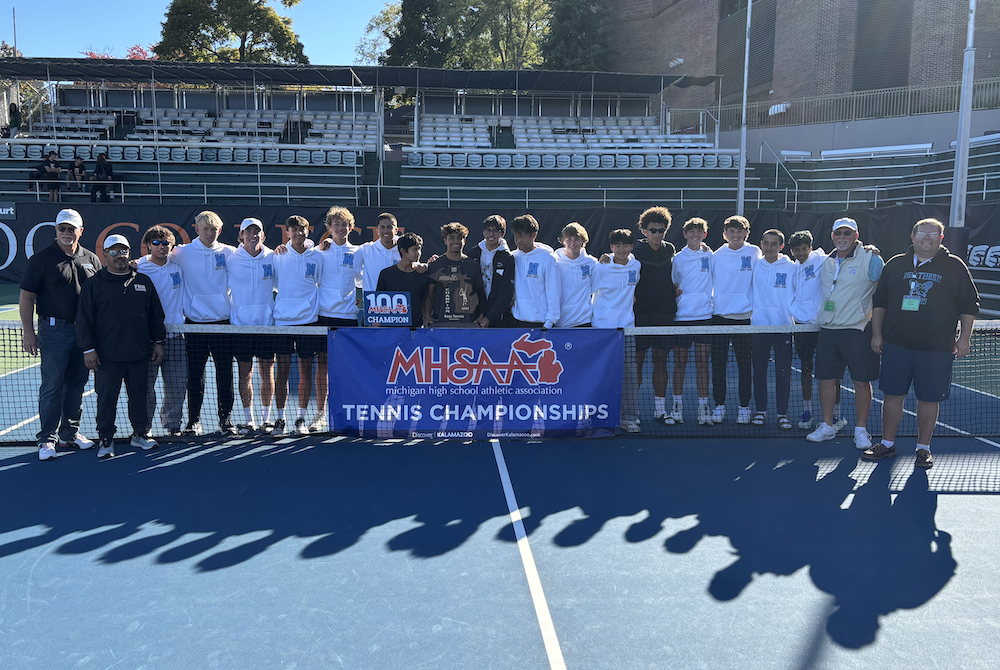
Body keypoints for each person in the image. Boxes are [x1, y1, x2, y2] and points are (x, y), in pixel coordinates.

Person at [863, 218, 980, 469]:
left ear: (941, 238)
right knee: (893, 395)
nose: (927, 239)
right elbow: (880, 300)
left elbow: (969, 304)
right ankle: (887, 443)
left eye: (932, 235)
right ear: (912, 237)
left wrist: (965, 337)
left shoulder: (954, 266)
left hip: (936, 348)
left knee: (929, 399)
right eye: (922, 234)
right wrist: (877, 334)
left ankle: (923, 449)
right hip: (896, 345)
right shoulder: (895, 265)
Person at [19, 209, 100, 461]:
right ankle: (46, 439)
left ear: (80, 231)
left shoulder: (91, 259)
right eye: (62, 229)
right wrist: (28, 332)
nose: (66, 233)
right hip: (54, 331)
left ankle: (70, 433)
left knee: (77, 384)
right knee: (53, 385)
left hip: (85, 333)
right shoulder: (41, 260)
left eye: (71, 229)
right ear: (56, 231)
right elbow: (26, 298)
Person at [76, 235, 166, 459]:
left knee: (139, 397)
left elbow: (156, 316)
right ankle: (106, 438)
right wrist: (88, 349)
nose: (120, 256)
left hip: (138, 354)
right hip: (106, 357)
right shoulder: (94, 284)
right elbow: (84, 319)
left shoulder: (143, 281)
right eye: (114, 252)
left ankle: (140, 434)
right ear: (104, 255)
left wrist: (158, 343)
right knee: (106, 400)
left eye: (124, 251)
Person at [806, 217, 884, 449]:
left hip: (858, 331)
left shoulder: (872, 258)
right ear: (832, 236)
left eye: (847, 233)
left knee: (861, 382)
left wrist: (880, 331)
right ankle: (828, 426)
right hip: (829, 330)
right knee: (826, 381)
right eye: (838, 233)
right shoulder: (825, 261)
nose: (842, 237)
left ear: (856, 236)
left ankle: (861, 430)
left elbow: (885, 291)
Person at [171, 210, 237, 436]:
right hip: (195, 325)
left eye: (214, 229)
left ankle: (225, 420)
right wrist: (135, 262)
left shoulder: (230, 252)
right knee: (195, 375)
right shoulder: (181, 252)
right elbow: (155, 259)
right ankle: (193, 421)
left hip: (223, 323)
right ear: (196, 229)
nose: (210, 233)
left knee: (225, 374)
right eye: (205, 229)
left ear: (220, 230)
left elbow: (257, 256)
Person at [273, 215, 324, 436]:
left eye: (302, 229)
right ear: (287, 232)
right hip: (283, 322)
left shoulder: (317, 256)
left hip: (308, 323)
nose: (298, 233)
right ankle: (279, 419)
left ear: (308, 231)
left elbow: (322, 283)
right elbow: (273, 284)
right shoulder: (277, 256)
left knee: (305, 372)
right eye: (293, 229)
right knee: (282, 373)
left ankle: (301, 418)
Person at [315, 206, 364, 431]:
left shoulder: (359, 252)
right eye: (336, 224)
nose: (341, 227)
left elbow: (365, 280)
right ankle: (320, 414)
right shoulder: (318, 252)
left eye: (345, 224)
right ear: (328, 227)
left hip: (348, 318)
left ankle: (346, 413)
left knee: (346, 368)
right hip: (324, 317)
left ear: (351, 227)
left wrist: (362, 299)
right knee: (322, 367)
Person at [227, 218, 277, 436]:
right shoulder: (230, 259)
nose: (253, 235)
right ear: (241, 235)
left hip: (267, 327)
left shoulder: (275, 256)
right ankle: (249, 421)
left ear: (263, 236)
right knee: (244, 375)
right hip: (241, 327)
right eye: (248, 231)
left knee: (267, 374)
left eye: (257, 231)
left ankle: (266, 420)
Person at [710, 215, 761, 425]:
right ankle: (719, 406)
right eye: (731, 231)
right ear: (725, 234)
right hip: (720, 318)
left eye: (740, 231)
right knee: (718, 365)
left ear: (747, 233)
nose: (736, 234)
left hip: (745, 319)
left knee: (744, 366)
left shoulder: (755, 252)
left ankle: (744, 407)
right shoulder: (715, 255)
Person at [137, 226, 187, 436]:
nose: (161, 247)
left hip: (175, 336)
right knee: (146, 387)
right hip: (147, 339)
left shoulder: (178, 267)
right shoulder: (138, 268)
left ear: (171, 245)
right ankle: (144, 427)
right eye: (156, 243)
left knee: (177, 386)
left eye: (165, 243)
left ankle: (172, 425)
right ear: (148, 246)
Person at [591, 228, 642, 432]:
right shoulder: (600, 267)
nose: (621, 249)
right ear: (611, 247)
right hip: (602, 330)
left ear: (631, 247)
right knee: (601, 374)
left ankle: (629, 417)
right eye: (617, 245)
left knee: (629, 375)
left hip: (627, 330)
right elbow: (587, 291)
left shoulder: (635, 265)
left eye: (625, 245)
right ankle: (598, 415)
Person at [749, 229, 796, 430]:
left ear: (781, 246)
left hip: (783, 327)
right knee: (759, 372)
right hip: (758, 327)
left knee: (783, 373)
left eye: (774, 244)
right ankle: (760, 411)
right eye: (766, 243)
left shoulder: (792, 267)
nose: (769, 247)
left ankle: (782, 414)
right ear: (761, 244)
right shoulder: (754, 265)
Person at [787, 230, 834, 430]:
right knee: (806, 369)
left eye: (804, 249)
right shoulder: (793, 267)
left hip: (823, 326)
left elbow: (846, 255)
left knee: (831, 373)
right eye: (796, 250)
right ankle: (807, 410)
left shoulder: (823, 260)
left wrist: (869, 250)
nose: (800, 253)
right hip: (801, 326)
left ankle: (836, 414)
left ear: (810, 248)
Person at [671, 217, 715, 425]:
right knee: (680, 363)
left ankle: (703, 408)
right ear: (685, 234)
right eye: (691, 231)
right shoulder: (677, 259)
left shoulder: (710, 255)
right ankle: (677, 407)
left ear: (704, 235)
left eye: (699, 232)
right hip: (682, 318)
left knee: (702, 364)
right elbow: (672, 284)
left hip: (705, 316)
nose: (695, 235)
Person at [425, 222, 487, 327]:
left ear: (464, 241)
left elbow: (480, 294)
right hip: (441, 323)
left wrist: (481, 316)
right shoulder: (435, 265)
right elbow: (430, 295)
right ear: (445, 241)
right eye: (451, 238)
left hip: (468, 323)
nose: (456, 241)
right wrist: (427, 316)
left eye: (459, 238)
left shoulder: (473, 265)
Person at [509, 214, 560, 329]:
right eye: (516, 236)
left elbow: (553, 291)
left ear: (534, 235)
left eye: (522, 236)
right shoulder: (512, 257)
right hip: (516, 320)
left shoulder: (548, 258)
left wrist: (550, 321)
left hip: (541, 323)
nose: (518, 240)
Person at [468, 214, 515, 328]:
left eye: (496, 231)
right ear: (483, 231)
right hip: (473, 315)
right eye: (488, 230)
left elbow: (505, 292)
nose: (491, 234)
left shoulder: (508, 258)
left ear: (502, 234)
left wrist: (489, 317)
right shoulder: (473, 253)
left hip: (497, 318)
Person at [377, 232, 431, 327]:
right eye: (414, 250)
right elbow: (379, 302)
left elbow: (424, 300)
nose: (418, 253)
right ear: (403, 251)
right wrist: (376, 320)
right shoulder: (386, 274)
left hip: (415, 328)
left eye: (419, 249)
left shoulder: (422, 274)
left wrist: (427, 317)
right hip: (391, 330)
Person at [554, 222, 598, 328]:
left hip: (584, 320)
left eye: (577, 239)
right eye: (569, 239)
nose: (572, 243)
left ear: (583, 240)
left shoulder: (592, 262)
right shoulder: (554, 262)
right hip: (560, 322)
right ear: (563, 241)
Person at [359, 212, 402, 293]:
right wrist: (330, 243)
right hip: (373, 303)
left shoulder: (404, 249)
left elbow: (415, 266)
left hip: (398, 302)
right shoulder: (366, 249)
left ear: (396, 230)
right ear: (377, 230)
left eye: (389, 227)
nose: (385, 231)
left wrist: (424, 266)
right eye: (382, 227)